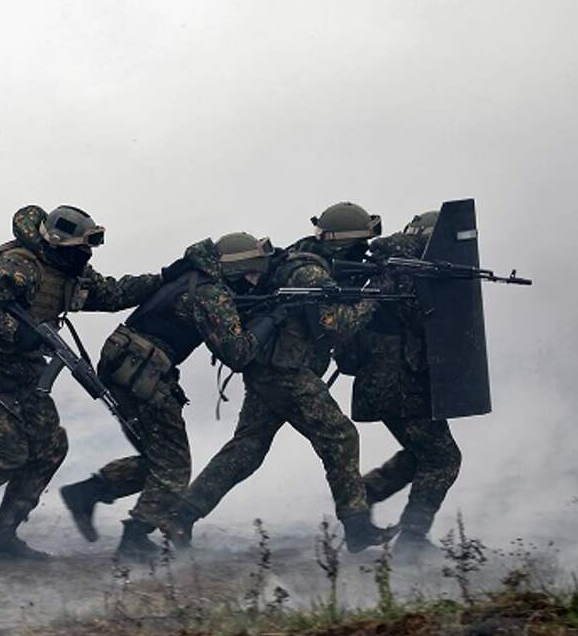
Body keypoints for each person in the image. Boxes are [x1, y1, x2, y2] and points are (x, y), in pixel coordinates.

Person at [0, 204, 161, 561]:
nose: (86, 254)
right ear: (56, 242)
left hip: (24, 372)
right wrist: (18, 332)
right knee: (5, 455)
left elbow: (113, 294)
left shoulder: (68, 270)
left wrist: (163, 279)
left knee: (50, 448)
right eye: (80, 247)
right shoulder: (17, 265)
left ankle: (2, 538)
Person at [162, 203, 396, 553]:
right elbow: (336, 325)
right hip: (287, 372)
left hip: (269, 369)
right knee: (341, 436)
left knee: (247, 450)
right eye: (360, 242)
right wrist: (374, 296)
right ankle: (358, 527)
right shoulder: (309, 272)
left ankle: (180, 516)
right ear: (343, 243)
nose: (364, 249)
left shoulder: (305, 256)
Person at [59, 232, 285, 560]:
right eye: (251, 274)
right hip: (145, 372)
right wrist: (273, 318)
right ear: (236, 271)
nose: (254, 282)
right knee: (175, 467)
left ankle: (88, 492)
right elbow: (238, 353)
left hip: (125, 364)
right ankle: (134, 538)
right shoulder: (211, 294)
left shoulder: (193, 277)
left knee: (157, 459)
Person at [339, 211, 462, 561]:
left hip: (386, 381)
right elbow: (423, 320)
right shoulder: (407, 268)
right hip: (398, 382)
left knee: (422, 453)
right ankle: (411, 540)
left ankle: (360, 497)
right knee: (443, 458)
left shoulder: (390, 264)